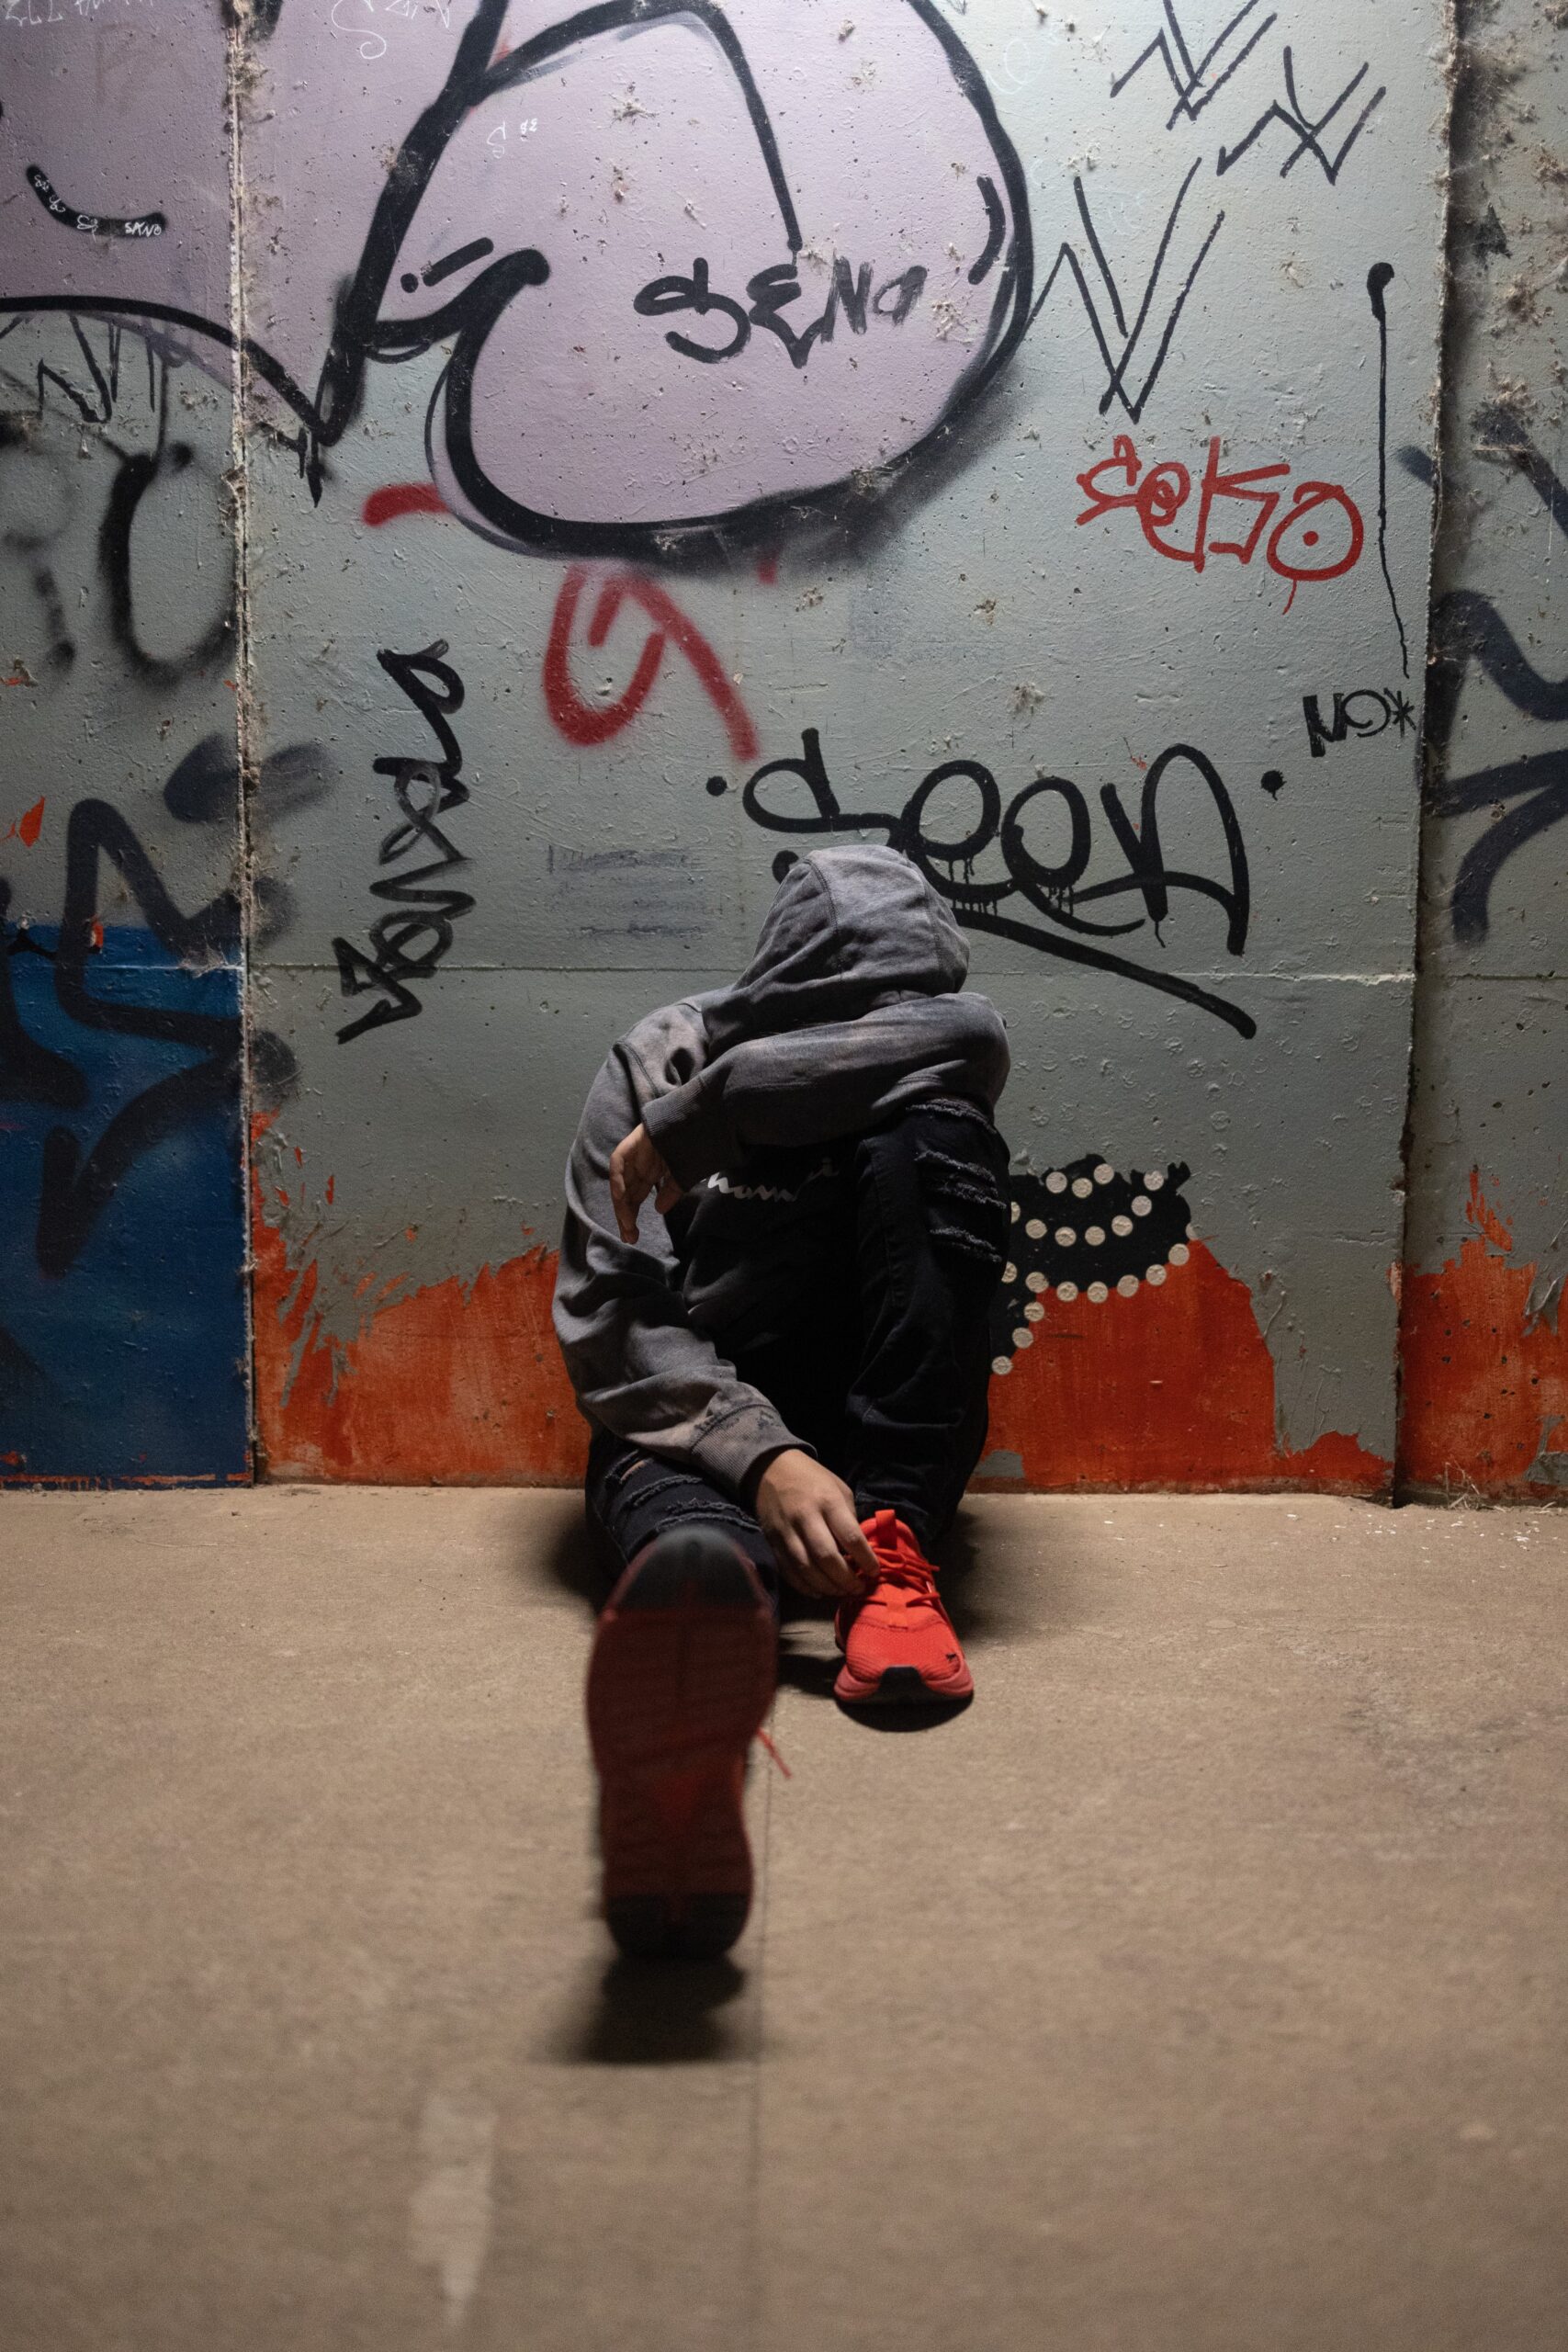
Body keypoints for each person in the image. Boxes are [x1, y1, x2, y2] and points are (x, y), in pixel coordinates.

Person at [552, 845, 1011, 1959]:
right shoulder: (655, 1057)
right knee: (692, 1542)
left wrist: (713, 1115)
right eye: (836, 1028)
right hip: (699, 1425)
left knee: (943, 1134)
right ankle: (702, 1671)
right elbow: (613, 1324)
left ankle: (890, 1548)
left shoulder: (940, 1066)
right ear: (783, 999)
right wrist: (761, 1458)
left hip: (879, 1426)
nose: (860, 1054)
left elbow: (969, 1038)